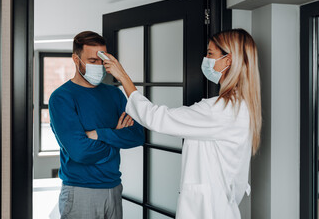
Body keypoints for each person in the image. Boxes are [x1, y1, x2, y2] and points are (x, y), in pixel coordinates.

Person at [93, 28, 261, 219]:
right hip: (221, 208)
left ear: (228, 60)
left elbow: (156, 117)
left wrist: (123, 76)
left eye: (210, 53)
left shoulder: (219, 110)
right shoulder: (238, 107)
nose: (206, 58)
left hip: (209, 211)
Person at [48, 31, 145, 219]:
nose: (99, 66)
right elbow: (80, 152)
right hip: (81, 191)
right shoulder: (61, 98)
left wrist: (100, 134)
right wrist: (116, 137)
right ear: (76, 60)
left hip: (114, 188)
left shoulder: (115, 94)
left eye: (103, 60)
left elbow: (137, 136)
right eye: (93, 61)